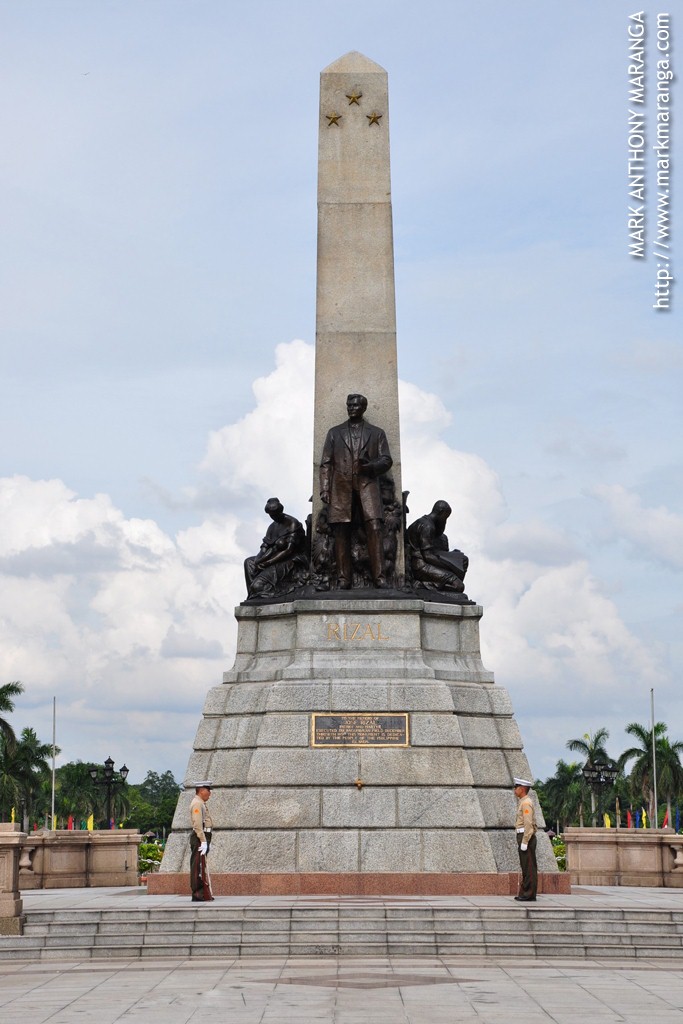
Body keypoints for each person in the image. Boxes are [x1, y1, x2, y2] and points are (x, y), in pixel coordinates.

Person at [319, 394, 393, 589]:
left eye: (355, 405)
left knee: (375, 528)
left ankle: (380, 577)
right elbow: (326, 463)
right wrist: (325, 489)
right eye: (349, 405)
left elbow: (386, 460)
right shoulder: (335, 433)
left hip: (367, 486)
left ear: (363, 408)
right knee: (341, 531)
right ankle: (343, 578)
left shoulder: (377, 433)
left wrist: (369, 467)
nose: (351, 408)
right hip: (341, 488)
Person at [244, 498, 308, 599]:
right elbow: (264, 547)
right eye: (271, 515)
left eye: (275, 514)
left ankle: (259, 590)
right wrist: (258, 561)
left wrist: (267, 563)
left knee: (258, 585)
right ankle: (254, 595)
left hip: (289, 560)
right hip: (272, 556)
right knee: (248, 562)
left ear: (280, 511)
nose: (273, 517)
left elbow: (289, 550)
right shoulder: (272, 527)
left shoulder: (292, 523)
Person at [406, 500, 468, 592]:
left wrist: (452, 556)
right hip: (421, 566)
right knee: (458, 586)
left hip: (423, 564)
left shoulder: (424, 523)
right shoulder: (428, 526)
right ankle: (420, 585)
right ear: (441, 512)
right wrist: (451, 565)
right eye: (446, 517)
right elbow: (427, 556)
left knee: (463, 560)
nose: (445, 520)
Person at [513, 776, 538, 902]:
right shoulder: (523, 801)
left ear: (522, 789)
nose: (514, 789)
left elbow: (528, 825)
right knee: (526, 866)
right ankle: (526, 892)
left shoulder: (526, 803)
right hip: (522, 835)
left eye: (516, 787)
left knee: (529, 867)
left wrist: (525, 841)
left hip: (525, 836)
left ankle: (529, 894)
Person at [189, 781, 214, 902]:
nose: (210, 793)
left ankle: (203, 891)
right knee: (197, 866)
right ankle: (198, 892)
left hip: (204, 835)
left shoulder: (201, 803)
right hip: (200, 837)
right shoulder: (197, 804)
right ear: (201, 790)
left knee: (201, 865)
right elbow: (197, 825)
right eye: (208, 790)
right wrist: (203, 841)